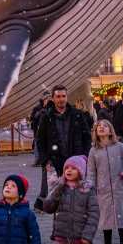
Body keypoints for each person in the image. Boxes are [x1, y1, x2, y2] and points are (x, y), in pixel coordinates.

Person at [35, 84, 92, 212]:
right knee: (57, 201)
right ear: (53, 98)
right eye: (58, 96)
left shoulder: (77, 115)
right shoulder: (46, 117)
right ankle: (59, 227)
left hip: (75, 163)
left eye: (64, 96)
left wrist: (84, 157)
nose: (61, 99)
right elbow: (40, 141)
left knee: (77, 199)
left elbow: (87, 137)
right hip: (55, 164)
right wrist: (45, 161)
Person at [87, 120, 123, 244]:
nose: (101, 128)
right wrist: (92, 189)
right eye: (99, 126)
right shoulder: (93, 151)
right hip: (103, 190)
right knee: (105, 218)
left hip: (118, 187)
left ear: (110, 130)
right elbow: (91, 172)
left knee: (121, 217)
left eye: (105, 126)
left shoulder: (119, 147)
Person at [43, 154, 100, 244]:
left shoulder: (88, 190)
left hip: (80, 239)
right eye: (67, 168)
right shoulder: (60, 187)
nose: (69, 170)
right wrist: (57, 189)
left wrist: (88, 235)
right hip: (62, 238)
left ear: (81, 172)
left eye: (74, 168)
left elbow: (94, 215)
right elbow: (48, 208)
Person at [29, 91, 51, 166]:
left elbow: (32, 118)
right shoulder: (41, 108)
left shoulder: (39, 108)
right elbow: (33, 118)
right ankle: (38, 159)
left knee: (38, 143)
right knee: (38, 143)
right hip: (40, 128)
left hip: (39, 128)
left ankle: (38, 159)